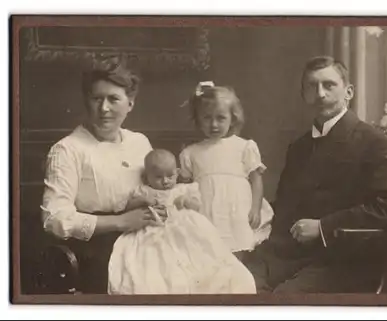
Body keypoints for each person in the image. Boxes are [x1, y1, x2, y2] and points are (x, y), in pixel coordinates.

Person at [242, 56, 387, 293]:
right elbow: (285, 207)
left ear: (349, 92)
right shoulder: (299, 147)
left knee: (282, 302)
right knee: (227, 281)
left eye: (329, 85)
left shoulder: (376, 143)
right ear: (304, 95)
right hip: (285, 257)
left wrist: (324, 226)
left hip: (343, 261)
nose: (320, 93)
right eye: (312, 86)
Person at [40, 58, 165, 293]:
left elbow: (155, 189)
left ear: (130, 103)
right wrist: (119, 222)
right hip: (99, 247)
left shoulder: (139, 142)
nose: (104, 108)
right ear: (86, 101)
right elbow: (53, 217)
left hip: (147, 235)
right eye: (96, 98)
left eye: (113, 99)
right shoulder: (68, 149)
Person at [107, 149, 256, 294]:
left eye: (170, 175)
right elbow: (128, 207)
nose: (165, 181)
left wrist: (186, 201)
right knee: (154, 260)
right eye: (158, 177)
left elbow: (197, 205)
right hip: (152, 229)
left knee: (199, 255)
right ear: (147, 177)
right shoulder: (144, 191)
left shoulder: (183, 189)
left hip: (184, 228)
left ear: (177, 173)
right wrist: (142, 201)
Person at [179, 83, 274, 260]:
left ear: (233, 118)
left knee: (239, 247)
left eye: (221, 118)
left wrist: (255, 208)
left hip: (237, 208)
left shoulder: (244, 146)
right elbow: (185, 187)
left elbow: (256, 180)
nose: (214, 124)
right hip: (206, 209)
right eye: (207, 118)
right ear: (198, 120)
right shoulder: (191, 152)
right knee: (208, 250)